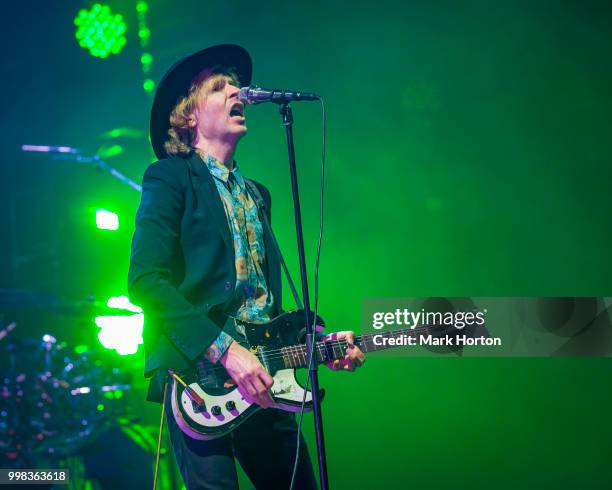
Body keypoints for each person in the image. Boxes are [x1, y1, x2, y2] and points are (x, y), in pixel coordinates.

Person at [128, 44, 365, 490]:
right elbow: (144, 281)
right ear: (189, 116)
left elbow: (262, 305)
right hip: (199, 376)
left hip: (264, 377)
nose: (238, 91)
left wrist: (317, 343)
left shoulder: (258, 195)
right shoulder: (170, 177)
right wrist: (225, 350)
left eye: (237, 85)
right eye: (220, 87)